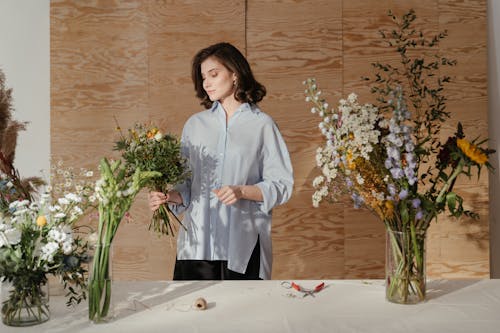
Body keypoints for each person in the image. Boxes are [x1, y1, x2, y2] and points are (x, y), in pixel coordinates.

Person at [148, 42, 293, 280]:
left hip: (242, 245)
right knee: (191, 314)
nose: (206, 83)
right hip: (197, 244)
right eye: (203, 77)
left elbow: (282, 185)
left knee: (243, 316)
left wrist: (242, 191)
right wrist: (168, 196)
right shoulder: (195, 125)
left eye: (213, 74)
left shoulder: (262, 125)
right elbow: (186, 186)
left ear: (235, 73)